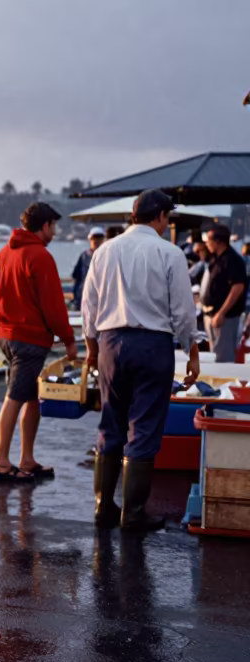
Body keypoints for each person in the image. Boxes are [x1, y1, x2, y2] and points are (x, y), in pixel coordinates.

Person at [82, 190, 200, 530]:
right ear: (160, 215)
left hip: (110, 343)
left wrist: (92, 348)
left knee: (110, 423)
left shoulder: (105, 250)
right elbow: (182, 311)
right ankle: (132, 515)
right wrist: (193, 352)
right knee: (144, 426)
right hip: (152, 345)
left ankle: (104, 509)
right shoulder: (170, 253)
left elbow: (88, 306)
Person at [0, 202, 77, 482]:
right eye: (54, 226)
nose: (55, 231)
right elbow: (54, 306)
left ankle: (27, 458)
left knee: (31, 398)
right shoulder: (40, 256)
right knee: (15, 397)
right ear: (46, 225)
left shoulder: (4, 252)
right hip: (29, 339)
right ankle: (1, 462)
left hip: (6, 334)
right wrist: (69, 340)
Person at [200, 223, 247, 362]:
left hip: (224, 317)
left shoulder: (232, 260)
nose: (207, 244)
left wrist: (221, 312)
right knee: (215, 354)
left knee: (222, 357)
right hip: (211, 314)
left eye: (209, 240)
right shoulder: (215, 258)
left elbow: (237, 287)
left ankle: (223, 384)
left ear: (217, 242)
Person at [72, 226, 106, 308]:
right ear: (90, 239)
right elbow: (76, 276)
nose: (96, 241)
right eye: (94, 238)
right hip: (84, 295)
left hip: (102, 295)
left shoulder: (107, 255)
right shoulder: (84, 256)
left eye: (99, 238)